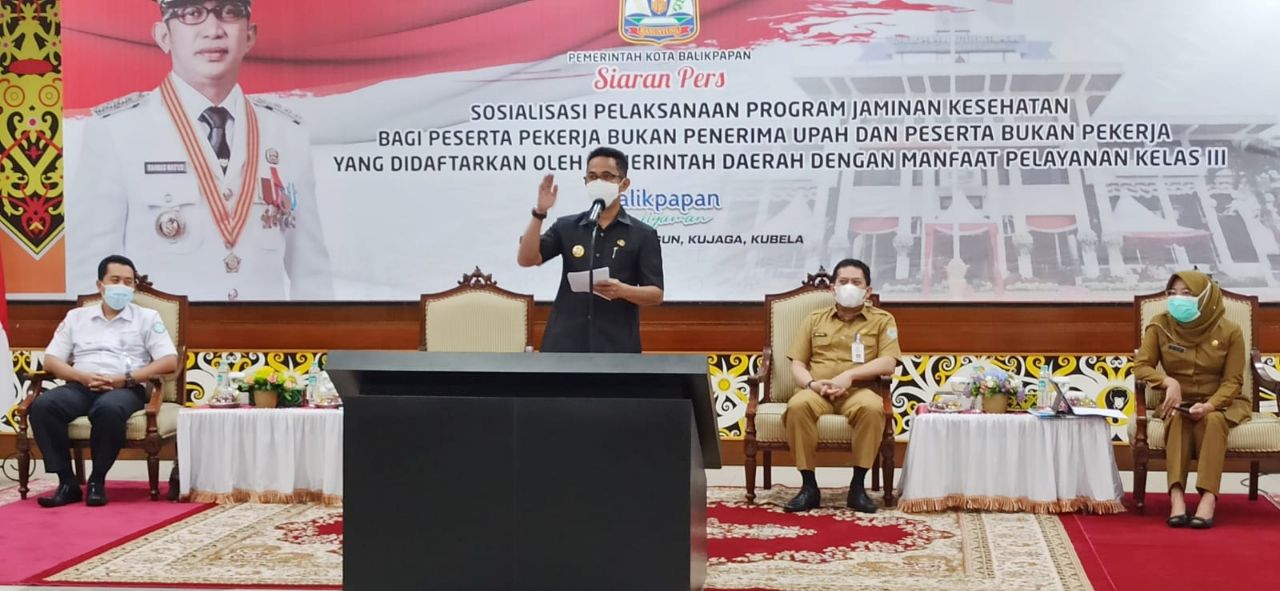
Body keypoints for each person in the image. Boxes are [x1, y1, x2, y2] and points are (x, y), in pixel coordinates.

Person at [69, 0, 332, 302]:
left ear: (249, 36)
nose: (213, 30)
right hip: (163, 332)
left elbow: (311, 274)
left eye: (229, 12)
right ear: (163, 36)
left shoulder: (287, 133)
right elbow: (89, 273)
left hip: (262, 331)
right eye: (192, 13)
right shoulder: (117, 131)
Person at [29, 255, 179, 508]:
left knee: (108, 409)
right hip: (80, 385)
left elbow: (169, 361)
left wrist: (125, 378)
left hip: (125, 388)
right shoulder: (77, 317)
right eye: (115, 280)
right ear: (100, 285)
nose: (122, 286)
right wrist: (81, 376)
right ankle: (67, 482)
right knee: (43, 406)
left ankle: (97, 481)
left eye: (128, 282)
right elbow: (51, 360)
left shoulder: (147, 317)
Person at [516, 146, 664, 353]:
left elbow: (656, 294)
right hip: (565, 340)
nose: (598, 182)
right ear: (585, 181)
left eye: (607, 176)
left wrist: (623, 290)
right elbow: (526, 259)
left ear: (624, 184)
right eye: (592, 177)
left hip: (616, 343)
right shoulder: (567, 227)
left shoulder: (643, 234)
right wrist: (540, 212)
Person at [782, 259, 899, 513]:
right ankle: (808, 487)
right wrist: (813, 384)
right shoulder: (814, 320)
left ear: (868, 290)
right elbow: (797, 364)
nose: (849, 287)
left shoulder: (883, 320)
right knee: (797, 406)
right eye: (843, 282)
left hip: (860, 391)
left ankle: (857, 488)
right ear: (832, 288)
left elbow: (889, 362)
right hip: (818, 392)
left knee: (873, 409)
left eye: (856, 282)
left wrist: (850, 375)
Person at [1134, 270, 1249, 529]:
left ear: (1205, 298)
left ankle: (1208, 499)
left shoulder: (1231, 331)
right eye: (1172, 293)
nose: (1177, 299)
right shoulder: (1160, 325)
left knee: (1214, 421)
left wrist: (1209, 405)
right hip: (1179, 399)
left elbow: (1233, 381)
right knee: (1176, 418)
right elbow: (1141, 366)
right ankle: (1176, 498)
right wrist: (1168, 382)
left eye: (1186, 294)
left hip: (1221, 401)